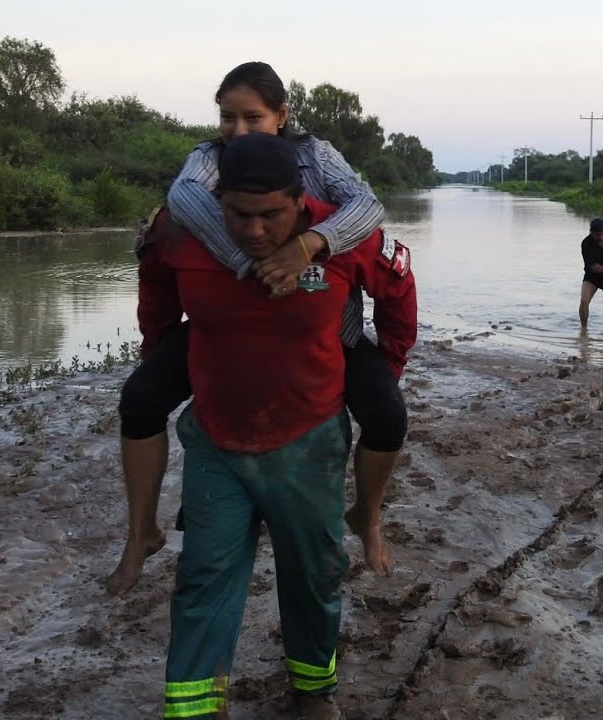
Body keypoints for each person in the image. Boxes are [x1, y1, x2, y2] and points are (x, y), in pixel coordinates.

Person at [139, 132, 417, 720]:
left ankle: (314, 692)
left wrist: (383, 367)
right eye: (239, 214)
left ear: (302, 202)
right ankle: (193, 708)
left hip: (308, 441)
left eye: (271, 215)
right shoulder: (183, 230)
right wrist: (159, 349)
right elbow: (155, 283)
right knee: (203, 579)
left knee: (315, 575)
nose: (255, 231)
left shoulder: (342, 233)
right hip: (217, 439)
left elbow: (397, 287)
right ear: (217, 204)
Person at [109, 62, 401, 596]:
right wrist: (254, 266)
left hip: (322, 323)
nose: (238, 130)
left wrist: (307, 246)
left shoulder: (314, 154)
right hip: (225, 324)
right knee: (140, 401)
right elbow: (185, 202)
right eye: (227, 117)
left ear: (282, 116)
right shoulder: (207, 160)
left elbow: (368, 207)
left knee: (386, 414)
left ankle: (369, 517)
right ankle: (140, 532)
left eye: (253, 117)